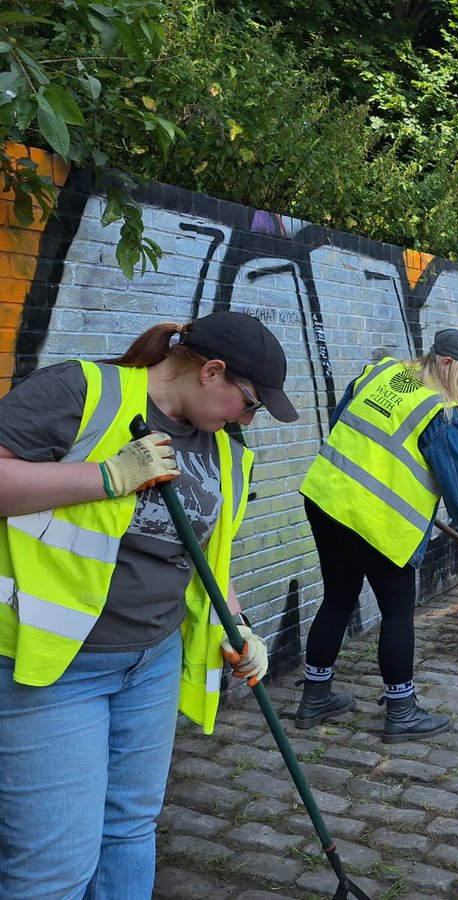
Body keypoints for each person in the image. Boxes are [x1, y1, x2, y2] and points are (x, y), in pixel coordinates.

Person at [0, 310, 293, 899]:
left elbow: (209, 556)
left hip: (151, 662)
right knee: (55, 868)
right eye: (251, 402)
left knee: (130, 831)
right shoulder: (84, 392)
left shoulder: (228, 452)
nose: (249, 418)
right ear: (213, 372)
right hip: (54, 665)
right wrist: (106, 477)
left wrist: (237, 624)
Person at [295, 328, 458, 743]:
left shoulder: (381, 373)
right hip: (377, 521)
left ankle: (315, 696)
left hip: (326, 498)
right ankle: (402, 711)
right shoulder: (441, 413)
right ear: (446, 363)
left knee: (337, 598)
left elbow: (341, 425)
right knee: (396, 612)